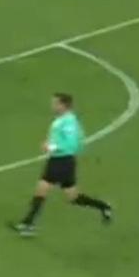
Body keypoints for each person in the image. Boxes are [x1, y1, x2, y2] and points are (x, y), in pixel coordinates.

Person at [11, 93, 113, 237]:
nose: (52, 106)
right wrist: (52, 145)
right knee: (72, 197)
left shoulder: (69, 122)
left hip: (61, 161)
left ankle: (28, 224)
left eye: (55, 103)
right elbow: (79, 140)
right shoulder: (65, 120)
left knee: (42, 189)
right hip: (64, 161)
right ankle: (104, 206)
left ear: (63, 105)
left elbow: (72, 143)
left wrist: (51, 147)